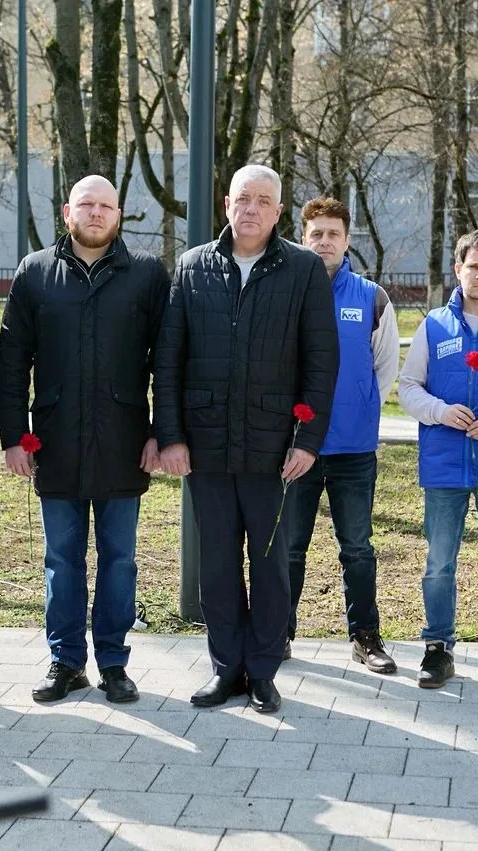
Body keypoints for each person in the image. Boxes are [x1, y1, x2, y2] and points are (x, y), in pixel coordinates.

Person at [153, 164, 339, 714]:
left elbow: (321, 361)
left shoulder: (302, 269)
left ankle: (263, 670)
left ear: (278, 211)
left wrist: (307, 440)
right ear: (226, 204)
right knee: (216, 564)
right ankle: (225, 667)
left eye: (263, 200)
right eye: (242, 199)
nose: (251, 209)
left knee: (269, 562)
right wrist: (171, 435)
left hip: (273, 447)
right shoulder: (193, 267)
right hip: (205, 445)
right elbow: (169, 360)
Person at [0, 175, 170, 705]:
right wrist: (13, 437)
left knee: (120, 559)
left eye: (106, 206)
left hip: (123, 440)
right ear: (67, 211)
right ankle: (66, 662)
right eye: (86, 205)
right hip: (54, 441)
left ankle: (114, 662)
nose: (96, 214)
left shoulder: (145, 274)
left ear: (120, 215)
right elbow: (11, 363)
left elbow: (167, 362)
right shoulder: (34, 273)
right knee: (61, 559)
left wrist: (161, 433)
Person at [398, 229, 478, 691]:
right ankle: (437, 646)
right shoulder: (434, 326)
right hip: (444, 465)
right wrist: (441, 412)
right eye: (472, 266)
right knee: (439, 562)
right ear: (458, 269)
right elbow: (408, 389)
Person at [285, 197, 399, 673]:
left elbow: (385, 368)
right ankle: (278, 631)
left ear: (347, 240)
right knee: (289, 546)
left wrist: (359, 406)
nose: (325, 241)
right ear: (303, 237)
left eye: (334, 233)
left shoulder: (371, 298)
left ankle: (366, 637)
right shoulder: (286, 291)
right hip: (294, 449)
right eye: (316, 233)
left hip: (353, 449)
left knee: (357, 547)